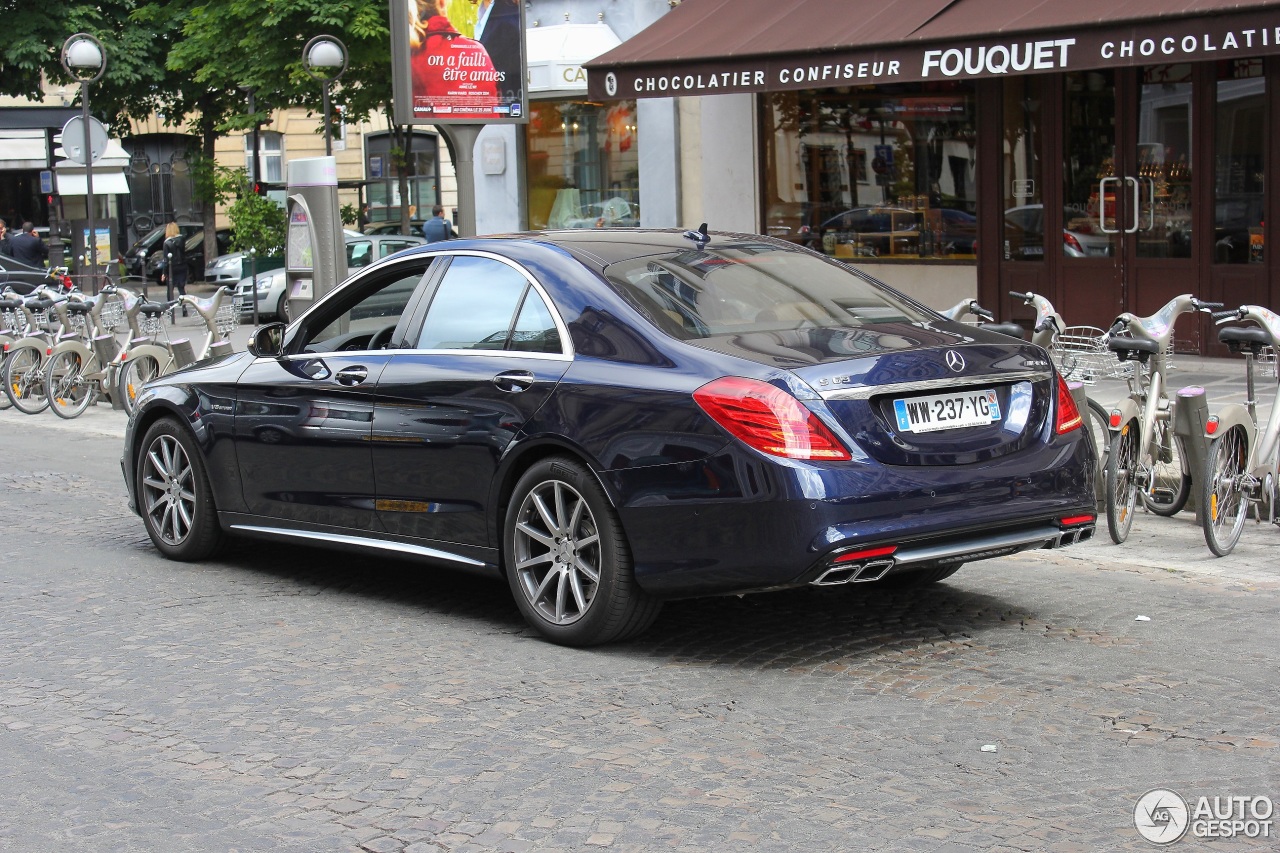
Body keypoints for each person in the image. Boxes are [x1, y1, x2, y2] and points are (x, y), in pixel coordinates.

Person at [161, 222, 189, 314]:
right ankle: (184, 308)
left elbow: (166, 260)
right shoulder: (182, 239)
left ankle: (170, 309)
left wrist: (164, 273)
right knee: (181, 288)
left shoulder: (167, 243)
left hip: (171, 268)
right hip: (182, 266)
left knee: (170, 289)